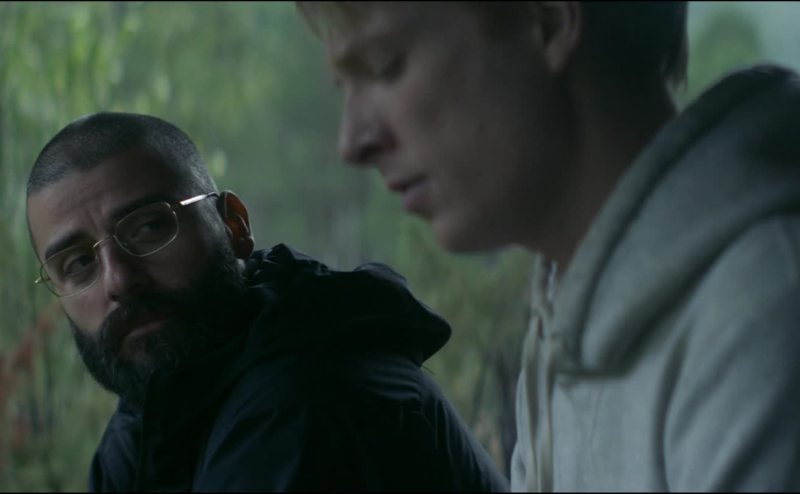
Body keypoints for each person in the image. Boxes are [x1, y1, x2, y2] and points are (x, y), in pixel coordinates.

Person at [298, 1, 800, 491]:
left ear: (547, 23)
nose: (352, 142)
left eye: (385, 66)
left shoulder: (760, 312)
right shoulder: (568, 304)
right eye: (345, 86)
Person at [25, 111, 509, 492]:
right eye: (78, 263)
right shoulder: (150, 420)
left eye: (150, 227)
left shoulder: (306, 403)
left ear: (234, 225)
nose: (118, 281)